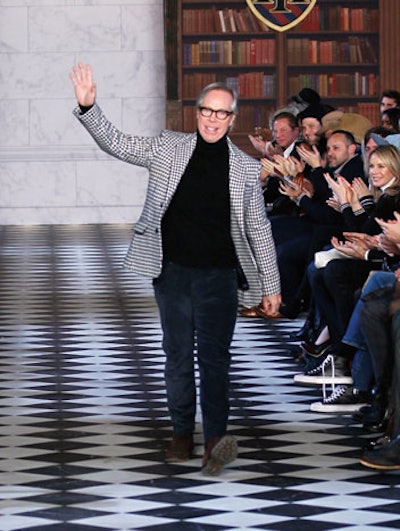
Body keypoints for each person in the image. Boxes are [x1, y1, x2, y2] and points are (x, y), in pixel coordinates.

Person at [69, 63, 281, 476]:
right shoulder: (169, 147)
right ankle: (182, 432)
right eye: (207, 111)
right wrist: (90, 108)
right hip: (173, 272)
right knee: (178, 354)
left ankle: (216, 442)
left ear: (232, 119)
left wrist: (271, 284)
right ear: (197, 112)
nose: (214, 120)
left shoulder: (244, 169)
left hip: (220, 276)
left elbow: (258, 227)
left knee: (215, 359)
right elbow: (120, 144)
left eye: (223, 113)